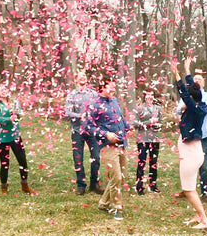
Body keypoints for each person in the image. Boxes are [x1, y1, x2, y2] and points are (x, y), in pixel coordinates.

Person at [171, 57, 207, 229]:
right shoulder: (200, 104)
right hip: (194, 152)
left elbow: (184, 92)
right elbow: (192, 90)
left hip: (191, 155)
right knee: (191, 187)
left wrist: (176, 73)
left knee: (188, 190)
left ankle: (204, 219)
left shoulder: (194, 108)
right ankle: (198, 215)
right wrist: (187, 69)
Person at [84, 74, 130, 221]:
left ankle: (103, 203)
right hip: (107, 146)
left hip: (121, 143)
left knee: (120, 176)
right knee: (115, 176)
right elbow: (88, 127)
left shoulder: (115, 101)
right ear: (103, 87)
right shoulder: (94, 104)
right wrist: (106, 134)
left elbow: (120, 119)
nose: (114, 89)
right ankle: (116, 207)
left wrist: (128, 127)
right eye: (111, 86)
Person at [176, 62, 207, 202]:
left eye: (199, 79)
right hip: (187, 136)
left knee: (203, 165)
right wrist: (186, 69)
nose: (196, 80)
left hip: (203, 135)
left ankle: (206, 192)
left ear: (203, 83)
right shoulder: (192, 96)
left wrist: (189, 104)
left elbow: (198, 103)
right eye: (195, 79)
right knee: (186, 163)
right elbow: (179, 108)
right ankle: (187, 188)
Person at [0, 81, 33, 195]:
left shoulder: (14, 102)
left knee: (22, 161)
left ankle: (25, 185)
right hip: (1, 139)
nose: (4, 91)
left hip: (15, 136)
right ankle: (4, 187)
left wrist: (17, 114)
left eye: (5, 89)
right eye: (1, 90)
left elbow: (19, 117)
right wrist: (9, 119)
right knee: (5, 163)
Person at [65, 70, 102, 195]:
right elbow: (67, 113)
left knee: (96, 157)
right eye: (80, 76)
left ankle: (94, 184)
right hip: (77, 131)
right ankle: (81, 185)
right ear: (76, 80)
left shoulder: (93, 94)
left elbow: (99, 109)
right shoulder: (71, 95)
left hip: (92, 131)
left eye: (84, 76)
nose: (82, 78)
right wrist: (80, 116)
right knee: (78, 158)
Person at [133, 88, 163, 195]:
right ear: (144, 96)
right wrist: (148, 122)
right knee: (142, 162)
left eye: (152, 95)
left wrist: (158, 125)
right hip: (143, 139)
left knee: (153, 162)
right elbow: (135, 124)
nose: (149, 97)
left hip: (155, 138)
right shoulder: (139, 108)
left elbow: (161, 121)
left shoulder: (158, 108)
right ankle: (139, 186)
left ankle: (153, 184)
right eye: (147, 94)